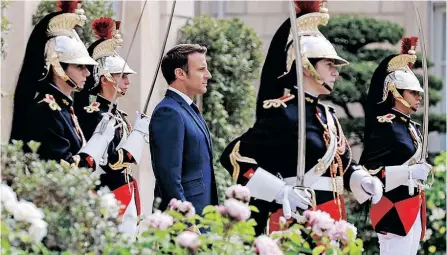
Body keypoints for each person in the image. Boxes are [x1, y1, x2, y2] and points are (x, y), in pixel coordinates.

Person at [220, 0, 383, 235]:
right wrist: (279, 191)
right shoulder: (282, 113)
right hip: (298, 220)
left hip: (334, 218)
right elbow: (235, 157)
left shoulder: (328, 115)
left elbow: (344, 164)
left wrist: (361, 178)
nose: (336, 72)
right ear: (307, 67)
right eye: (329, 65)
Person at [9, 1, 115, 169]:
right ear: (57, 66)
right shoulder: (47, 110)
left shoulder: (63, 108)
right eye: (79, 66)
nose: (86, 73)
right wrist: (97, 144)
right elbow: (65, 168)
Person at [73, 17, 149, 235]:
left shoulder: (115, 112)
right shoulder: (95, 114)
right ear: (106, 78)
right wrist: (137, 135)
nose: (127, 80)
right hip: (108, 194)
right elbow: (112, 161)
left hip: (125, 190)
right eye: (122, 75)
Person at [359, 36, 431, 255]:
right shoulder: (386, 126)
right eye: (413, 93)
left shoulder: (412, 127)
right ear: (395, 92)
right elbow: (368, 170)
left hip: (414, 207)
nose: (419, 98)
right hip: (393, 208)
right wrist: (408, 173)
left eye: (419, 93)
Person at [149, 44, 218, 218]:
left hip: (203, 213)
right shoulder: (168, 112)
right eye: (201, 69)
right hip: (184, 221)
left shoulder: (188, 108)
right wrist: (186, 222)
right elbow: (169, 177)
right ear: (180, 73)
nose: (207, 75)